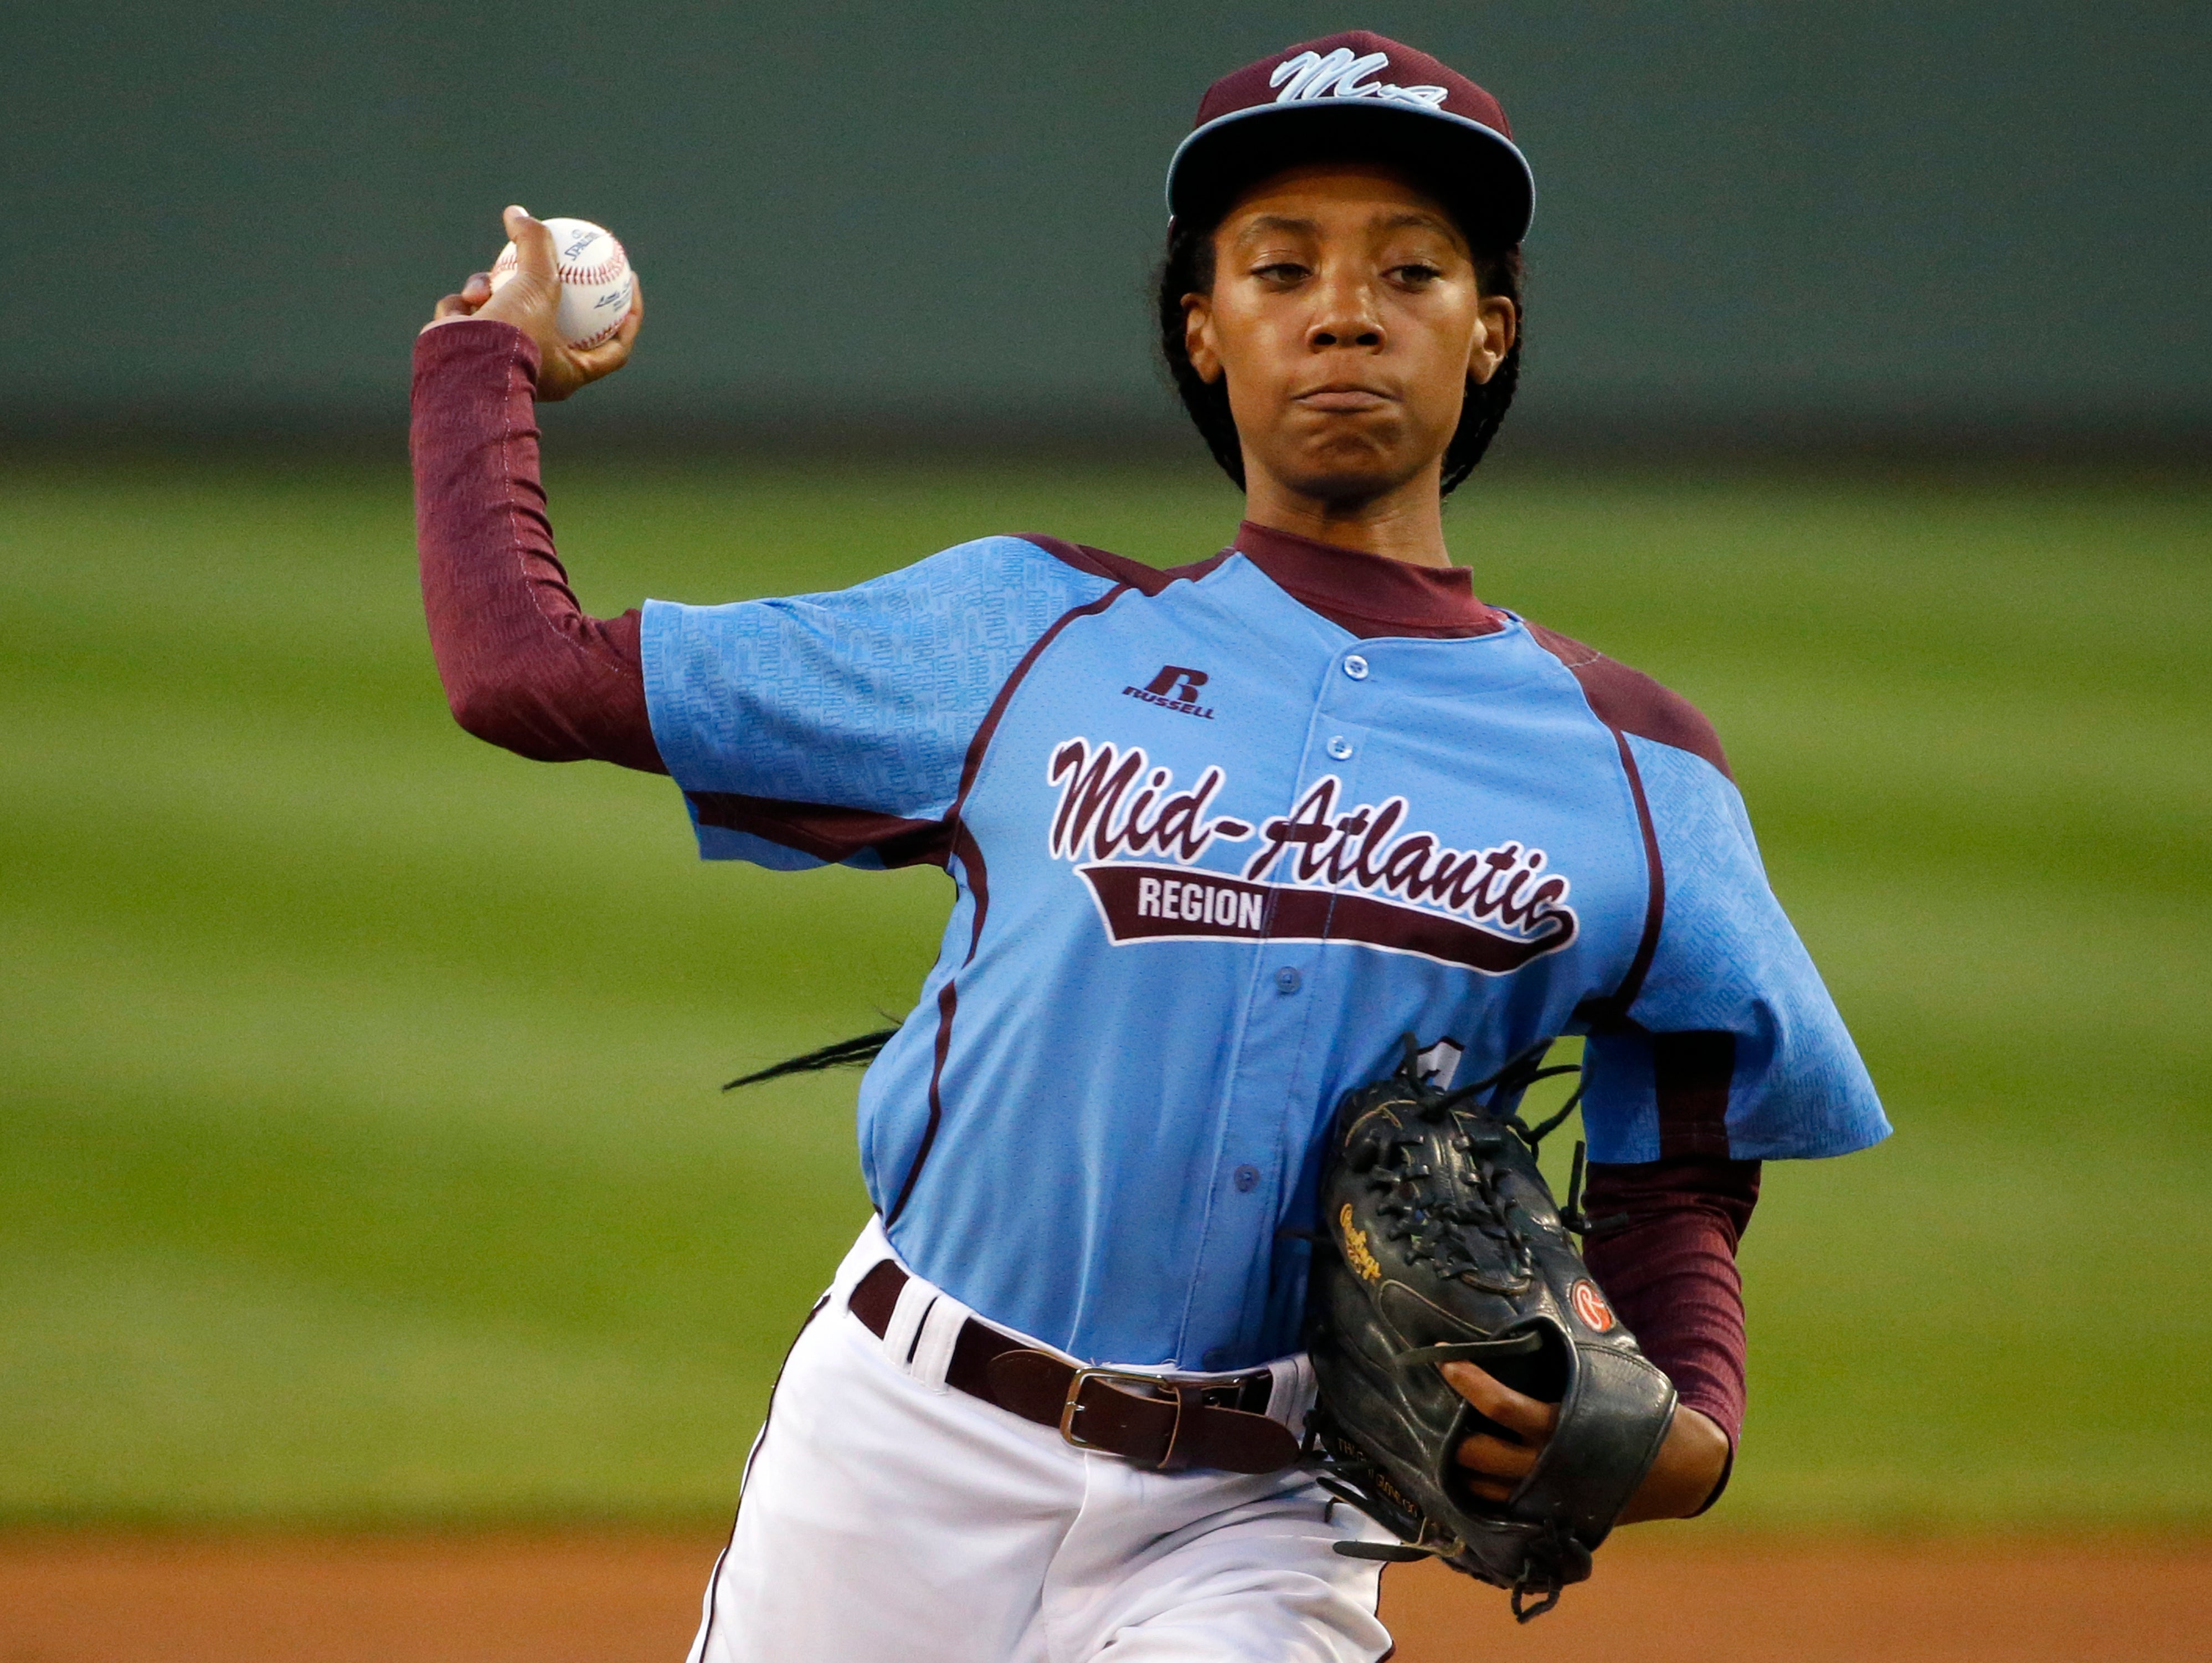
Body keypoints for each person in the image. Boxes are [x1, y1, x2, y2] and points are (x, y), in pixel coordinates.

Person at [411, 31, 1885, 1663]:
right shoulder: (1021, 635)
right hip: (898, 1455)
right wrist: (479, 368)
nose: (1344, 308)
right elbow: (522, 670)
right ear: (1205, 329)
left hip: (1259, 1518)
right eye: (1278, 267)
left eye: (1412, 269)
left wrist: (1691, 1421)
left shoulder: (1632, 769)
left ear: (1490, 335)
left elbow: (1680, 1159)